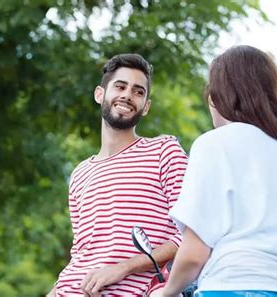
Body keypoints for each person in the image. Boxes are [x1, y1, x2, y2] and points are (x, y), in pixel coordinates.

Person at [160, 45, 277, 296]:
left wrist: (166, 293)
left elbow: (194, 254)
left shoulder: (214, 144)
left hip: (236, 285)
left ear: (220, 96)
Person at [47, 53, 188, 296]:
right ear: (100, 94)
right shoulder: (81, 173)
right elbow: (81, 252)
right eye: (120, 86)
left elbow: (190, 236)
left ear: (146, 107)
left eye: (138, 91)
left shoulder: (164, 151)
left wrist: (124, 268)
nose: (127, 95)